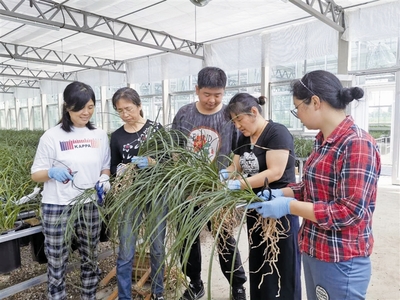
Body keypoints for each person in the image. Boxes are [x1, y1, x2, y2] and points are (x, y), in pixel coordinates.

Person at [249, 70, 381, 300]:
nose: (297, 114)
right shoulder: (322, 141)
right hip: (314, 248)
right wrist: (279, 192)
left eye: (298, 107)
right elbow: (311, 188)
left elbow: (348, 212)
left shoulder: (356, 144)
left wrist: (288, 206)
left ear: (316, 102)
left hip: (340, 258)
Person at [172, 66, 247, 300]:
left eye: (218, 94)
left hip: (218, 193)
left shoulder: (229, 116)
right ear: (197, 90)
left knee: (225, 239)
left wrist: (229, 178)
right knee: (187, 240)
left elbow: (239, 152)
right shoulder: (184, 114)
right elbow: (174, 150)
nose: (212, 100)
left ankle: (237, 285)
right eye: (207, 94)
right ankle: (195, 284)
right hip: (187, 193)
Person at [31, 81, 111, 300]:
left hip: (90, 204)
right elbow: (36, 174)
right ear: (67, 107)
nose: (86, 112)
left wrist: (105, 178)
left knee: (90, 254)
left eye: (91, 107)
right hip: (57, 205)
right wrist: (51, 172)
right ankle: (57, 296)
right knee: (56, 258)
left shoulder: (100, 135)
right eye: (81, 107)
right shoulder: (51, 136)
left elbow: (105, 166)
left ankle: (89, 295)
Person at [222, 93, 301, 299]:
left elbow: (274, 172)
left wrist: (239, 184)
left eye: (239, 119)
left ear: (254, 112)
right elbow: (235, 165)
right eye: (234, 121)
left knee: (282, 264)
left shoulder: (277, 133)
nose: (238, 125)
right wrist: (223, 175)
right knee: (259, 260)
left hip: (279, 207)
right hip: (255, 208)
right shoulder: (244, 137)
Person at [110, 87, 167, 300]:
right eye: (120, 110)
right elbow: (114, 166)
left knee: (158, 247)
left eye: (129, 108)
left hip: (156, 195)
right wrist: (122, 171)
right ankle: (125, 296)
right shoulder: (117, 136)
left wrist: (153, 163)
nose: (125, 114)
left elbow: (170, 162)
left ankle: (157, 293)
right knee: (126, 250)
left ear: (139, 105)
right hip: (129, 197)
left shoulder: (156, 130)